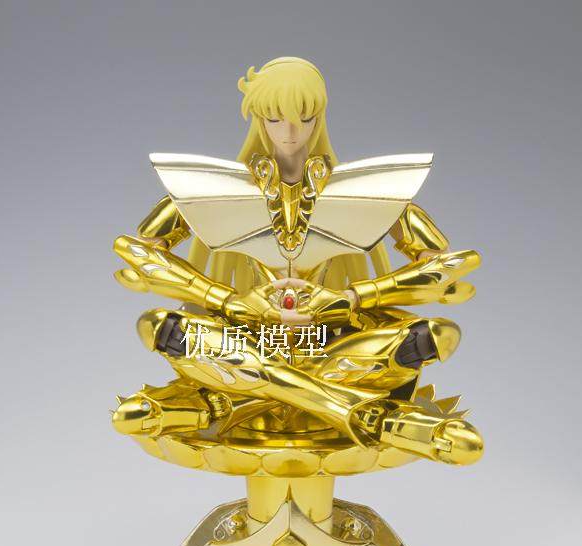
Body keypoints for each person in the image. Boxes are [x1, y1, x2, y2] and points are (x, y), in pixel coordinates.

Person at [112, 57, 483, 465]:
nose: (289, 132)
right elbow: (140, 251)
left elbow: (443, 265)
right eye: (275, 119)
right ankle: (360, 412)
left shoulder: (360, 191)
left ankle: (230, 403)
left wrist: (349, 300)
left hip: (333, 344)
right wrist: (229, 302)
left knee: (436, 334)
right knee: (160, 326)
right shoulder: (217, 190)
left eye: (303, 118)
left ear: (318, 119)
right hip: (244, 340)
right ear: (259, 120)